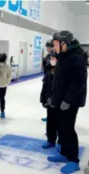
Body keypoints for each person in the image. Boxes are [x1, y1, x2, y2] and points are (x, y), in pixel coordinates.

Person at [47, 31, 87, 174]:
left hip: (71, 101)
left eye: (56, 43)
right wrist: (54, 97)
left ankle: (73, 160)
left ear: (65, 43)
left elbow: (78, 83)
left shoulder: (77, 58)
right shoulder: (63, 56)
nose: (54, 46)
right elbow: (58, 81)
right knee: (61, 127)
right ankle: (64, 153)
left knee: (68, 129)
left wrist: (68, 100)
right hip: (61, 99)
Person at [40, 50, 61, 150]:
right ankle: (50, 140)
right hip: (49, 100)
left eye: (54, 58)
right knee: (50, 122)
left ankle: (61, 143)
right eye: (51, 58)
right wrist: (43, 99)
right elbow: (45, 85)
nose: (52, 60)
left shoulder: (63, 70)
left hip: (60, 101)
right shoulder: (48, 69)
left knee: (60, 123)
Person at [41, 40, 54, 122]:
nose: (48, 49)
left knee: (51, 99)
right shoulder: (47, 56)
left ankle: (52, 118)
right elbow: (43, 67)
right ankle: (49, 115)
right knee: (46, 99)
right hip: (47, 80)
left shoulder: (55, 56)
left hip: (52, 81)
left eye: (50, 47)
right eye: (47, 47)